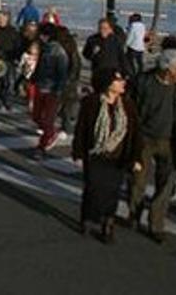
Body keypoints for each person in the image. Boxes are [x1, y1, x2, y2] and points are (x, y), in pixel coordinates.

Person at [128, 49, 176, 243]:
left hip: (172, 140)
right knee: (137, 179)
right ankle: (134, 213)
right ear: (168, 69)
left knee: (165, 184)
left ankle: (156, 224)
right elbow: (131, 108)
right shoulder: (143, 81)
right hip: (144, 138)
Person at [72, 68, 141, 243]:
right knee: (93, 189)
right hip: (95, 154)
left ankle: (107, 225)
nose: (122, 83)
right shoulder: (92, 103)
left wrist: (136, 158)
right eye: (118, 80)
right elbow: (82, 129)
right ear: (108, 84)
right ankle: (87, 218)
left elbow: (135, 134)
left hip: (118, 157)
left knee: (112, 192)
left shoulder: (127, 105)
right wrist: (78, 153)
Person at [32, 24, 70, 154]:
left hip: (52, 89)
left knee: (48, 119)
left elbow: (62, 72)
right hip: (41, 86)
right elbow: (39, 66)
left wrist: (58, 90)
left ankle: (43, 144)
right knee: (37, 116)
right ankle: (49, 134)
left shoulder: (58, 51)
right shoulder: (45, 48)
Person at [125, 13, 147, 78]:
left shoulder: (133, 25)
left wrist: (126, 44)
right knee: (140, 63)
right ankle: (140, 75)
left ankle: (132, 74)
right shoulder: (143, 25)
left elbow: (130, 36)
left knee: (130, 62)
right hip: (141, 46)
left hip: (133, 46)